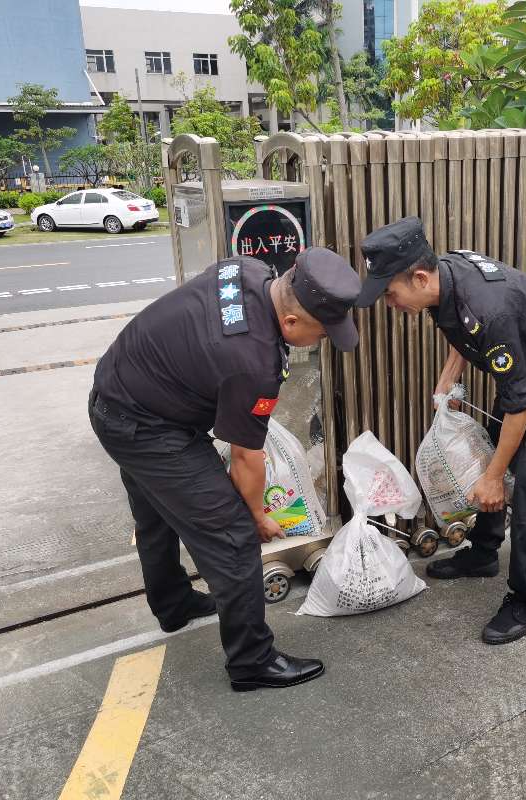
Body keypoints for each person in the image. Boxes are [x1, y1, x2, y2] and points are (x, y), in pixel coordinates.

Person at [89, 248, 361, 690]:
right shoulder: (254, 361)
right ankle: (252, 661)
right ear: (292, 322)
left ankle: (174, 605)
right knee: (233, 535)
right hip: (147, 426)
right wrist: (256, 516)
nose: (323, 340)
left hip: (119, 393)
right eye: (323, 332)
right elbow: (246, 457)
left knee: (156, 513)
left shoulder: (249, 270)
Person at [356, 217, 526, 645]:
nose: (389, 303)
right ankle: (485, 553)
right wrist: (448, 379)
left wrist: (493, 478)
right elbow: (463, 331)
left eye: (390, 294)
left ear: (419, 278)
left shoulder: (490, 309)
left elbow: (520, 404)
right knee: (491, 449)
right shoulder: (444, 279)